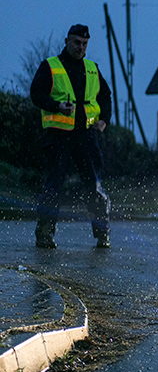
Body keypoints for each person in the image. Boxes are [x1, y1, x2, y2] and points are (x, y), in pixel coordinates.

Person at [30, 24, 112, 249]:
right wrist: (56, 105)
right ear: (66, 41)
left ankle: (103, 234)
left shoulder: (92, 68)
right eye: (77, 42)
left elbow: (105, 96)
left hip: (86, 136)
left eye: (85, 44)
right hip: (59, 136)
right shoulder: (51, 66)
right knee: (53, 185)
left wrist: (104, 120)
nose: (80, 47)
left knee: (94, 187)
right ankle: (45, 234)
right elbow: (36, 93)